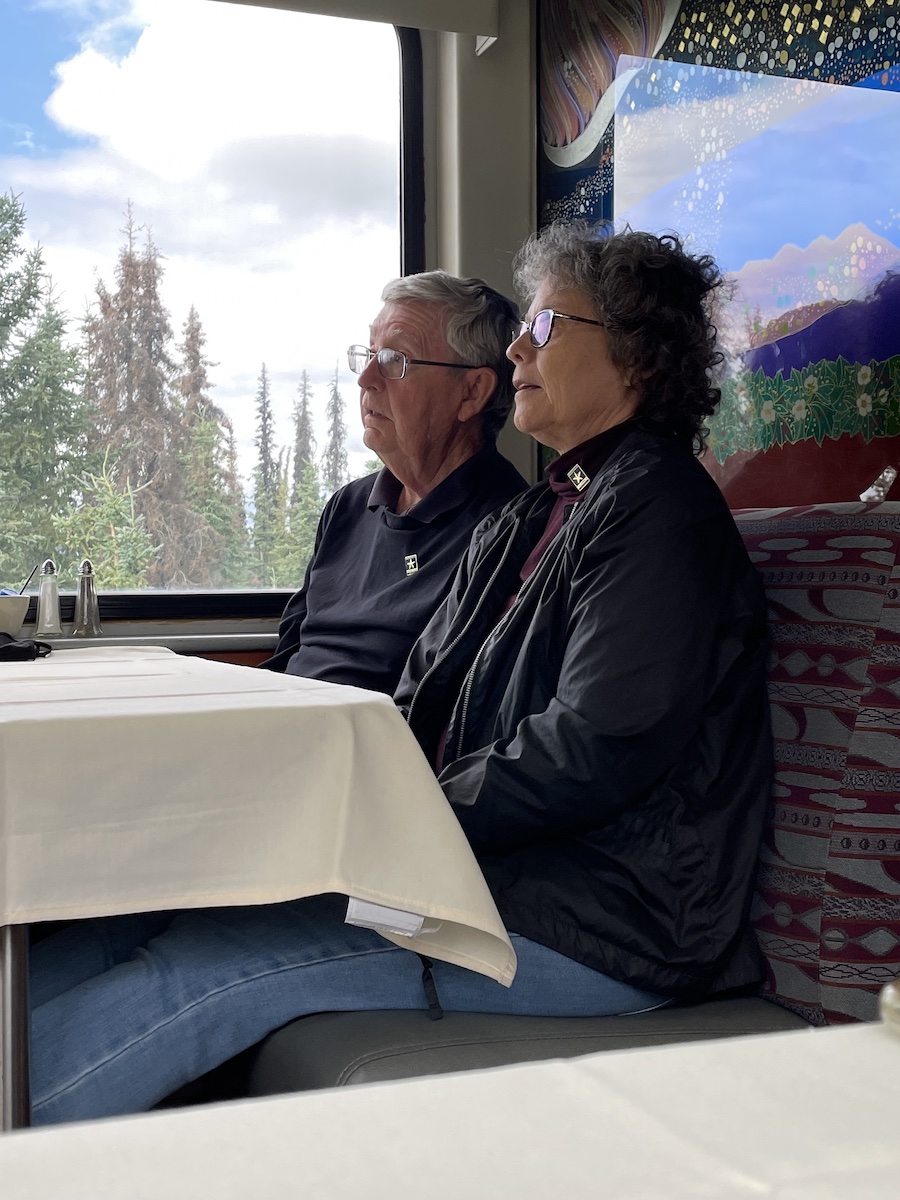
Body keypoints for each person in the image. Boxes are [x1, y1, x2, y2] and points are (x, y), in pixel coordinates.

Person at [30, 225, 770, 1126]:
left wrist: (394, 824)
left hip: (609, 921)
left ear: (637, 355)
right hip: (481, 876)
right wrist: (334, 825)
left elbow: (601, 740)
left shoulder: (659, 508)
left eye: (542, 329)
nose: (515, 349)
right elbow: (417, 705)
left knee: (211, 963)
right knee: (126, 915)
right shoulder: (537, 516)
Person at [260, 271, 527, 693]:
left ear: (472, 392)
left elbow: (445, 709)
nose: (366, 378)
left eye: (394, 360)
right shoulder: (347, 507)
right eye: (369, 353)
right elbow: (289, 653)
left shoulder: (507, 529)